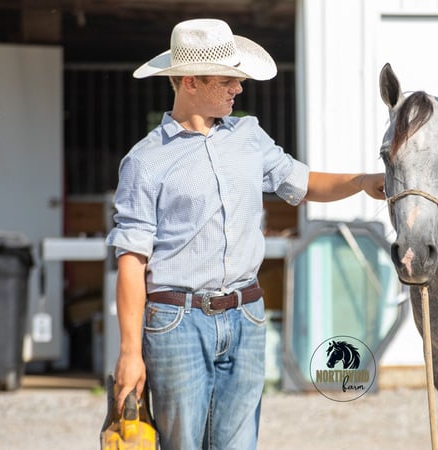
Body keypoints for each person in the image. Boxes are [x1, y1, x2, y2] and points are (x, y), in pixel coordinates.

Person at [105, 18, 385, 449]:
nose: (238, 88)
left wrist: (362, 181)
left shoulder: (250, 136)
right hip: (177, 324)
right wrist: (129, 353)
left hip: (247, 314)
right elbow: (131, 260)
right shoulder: (145, 161)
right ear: (190, 81)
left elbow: (303, 182)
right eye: (227, 80)